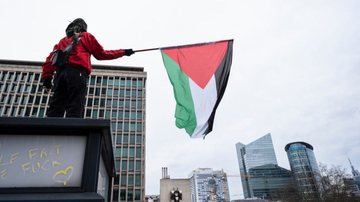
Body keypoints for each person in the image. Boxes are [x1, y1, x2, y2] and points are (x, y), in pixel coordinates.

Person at [42, 18, 134, 118]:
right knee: (75, 105)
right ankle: (72, 132)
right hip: (77, 72)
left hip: (60, 76)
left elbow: (50, 60)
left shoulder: (62, 41)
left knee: (56, 107)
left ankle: (49, 131)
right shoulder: (86, 36)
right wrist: (123, 52)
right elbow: (102, 54)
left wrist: (47, 79)